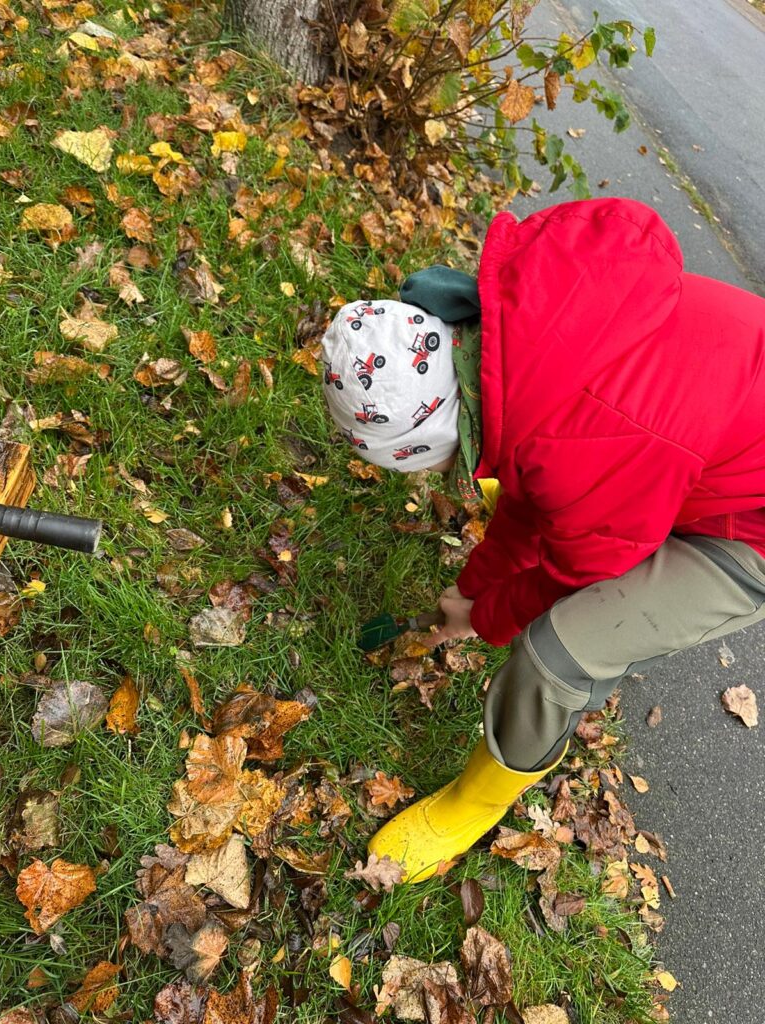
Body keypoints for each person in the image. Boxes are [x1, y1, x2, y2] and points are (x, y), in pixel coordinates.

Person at [320, 196, 765, 883]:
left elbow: (578, 562)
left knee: (558, 650)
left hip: (750, 528)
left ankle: (476, 801)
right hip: (690, 449)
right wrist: (473, 588)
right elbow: (537, 491)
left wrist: (492, 617)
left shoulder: (590, 438)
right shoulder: (525, 348)